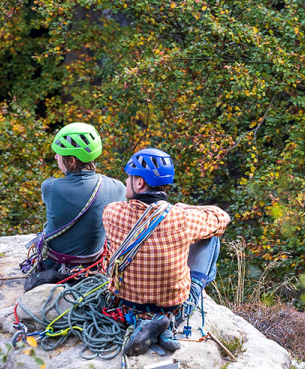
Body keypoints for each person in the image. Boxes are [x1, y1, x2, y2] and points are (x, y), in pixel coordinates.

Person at [102, 148, 230, 353]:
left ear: (140, 183)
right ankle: (177, 313)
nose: (126, 182)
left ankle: (149, 325)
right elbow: (222, 217)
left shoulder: (111, 213)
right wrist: (189, 207)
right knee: (212, 235)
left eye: (129, 177)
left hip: (127, 303)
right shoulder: (182, 218)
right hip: (173, 305)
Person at [23, 123, 126, 290]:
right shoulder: (117, 187)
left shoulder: (50, 187)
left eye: (59, 154)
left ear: (71, 161)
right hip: (93, 266)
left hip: (55, 265)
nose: (56, 157)